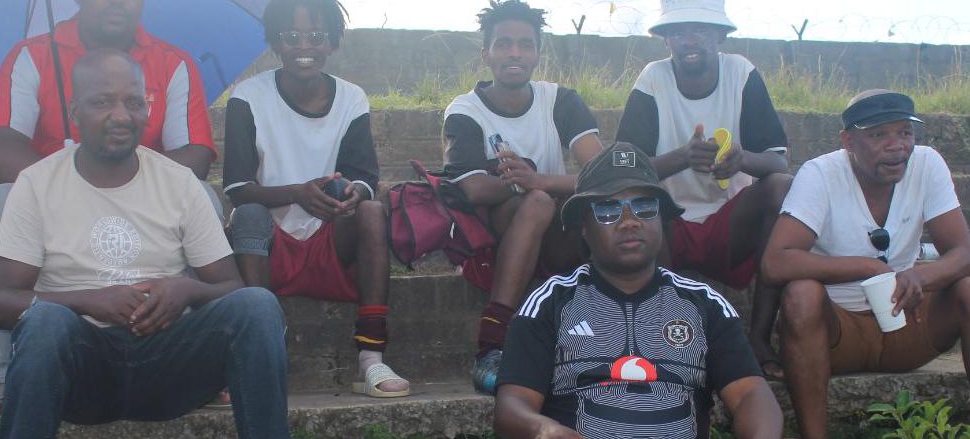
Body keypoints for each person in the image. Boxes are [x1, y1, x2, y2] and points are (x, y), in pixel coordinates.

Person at [0, 50, 316, 439]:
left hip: (167, 365)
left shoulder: (177, 183)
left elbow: (228, 288)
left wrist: (183, 290)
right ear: (74, 111)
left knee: (257, 306)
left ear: (148, 108)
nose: (121, 114)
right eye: (103, 102)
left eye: (134, 101)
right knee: (43, 321)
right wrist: (91, 301)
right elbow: (1, 303)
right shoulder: (37, 185)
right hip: (80, 371)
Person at [494, 141, 832, 439]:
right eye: (608, 211)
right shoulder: (551, 302)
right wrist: (541, 430)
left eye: (644, 208)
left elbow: (749, 394)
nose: (629, 222)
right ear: (583, 226)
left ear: (664, 219)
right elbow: (510, 408)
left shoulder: (702, 303)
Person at [0, 0, 220, 420]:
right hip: (56, 212)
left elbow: (195, 153)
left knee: (205, 196)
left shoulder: (171, 62)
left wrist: (127, 185)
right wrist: (68, 185)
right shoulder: (32, 54)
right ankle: (13, 370)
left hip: (147, 208)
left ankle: (198, 361)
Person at [763, 90, 970, 439]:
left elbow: (963, 255)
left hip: (906, 325)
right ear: (848, 141)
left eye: (905, 133)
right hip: (837, 336)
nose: (896, 146)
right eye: (879, 135)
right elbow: (776, 262)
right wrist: (866, 266)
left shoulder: (927, 164)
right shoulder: (821, 174)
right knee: (801, 294)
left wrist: (919, 278)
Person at [223, 0, 410, 398]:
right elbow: (236, 187)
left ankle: (370, 358)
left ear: (333, 44)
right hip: (268, 245)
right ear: (275, 42)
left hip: (327, 237)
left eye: (316, 36)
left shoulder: (351, 98)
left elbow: (365, 178)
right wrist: (297, 193)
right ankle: (262, 347)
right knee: (248, 214)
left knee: (373, 210)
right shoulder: (248, 97)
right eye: (291, 36)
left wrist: (348, 195)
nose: (303, 45)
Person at [615, 0, 791, 380]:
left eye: (701, 30)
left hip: (729, 223)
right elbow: (623, 168)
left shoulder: (741, 73)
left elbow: (778, 162)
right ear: (665, 40)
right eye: (677, 32)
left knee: (781, 189)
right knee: (637, 201)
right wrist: (682, 157)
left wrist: (740, 160)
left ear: (721, 35)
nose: (689, 40)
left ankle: (759, 337)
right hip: (669, 225)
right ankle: (653, 341)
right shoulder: (653, 79)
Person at [442, 0, 603, 393]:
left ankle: (616, 335)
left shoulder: (560, 100)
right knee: (538, 202)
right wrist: (527, 187)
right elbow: (474, 187)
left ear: (537, 54)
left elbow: (603, 174)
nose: (514, 53)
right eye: (504, 44)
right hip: (497, 236)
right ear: (487, 54)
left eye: (525, 45)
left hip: (557, 233)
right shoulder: (464, 110)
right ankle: (491, 346)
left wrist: (537, 179)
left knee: (604, 210)